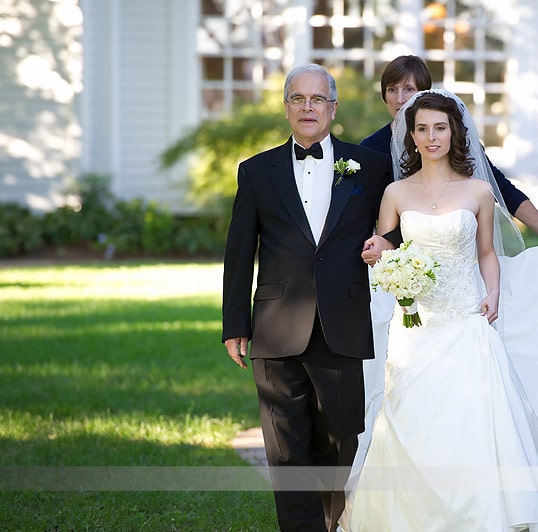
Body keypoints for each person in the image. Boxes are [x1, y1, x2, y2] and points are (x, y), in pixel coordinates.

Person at [342, 90, 538, 531]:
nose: (430, 137)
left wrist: (494, 293)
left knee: (477, 418)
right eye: (421, 129)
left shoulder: (479, 191)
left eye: (439, 128)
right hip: (417, 324)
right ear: (411, 136)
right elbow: (387, 243)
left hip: (467, 316)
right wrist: (376, 251)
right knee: (411, 415)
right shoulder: (395, 192)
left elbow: (486, 253)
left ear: (454, 132)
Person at [221, 64, 398, 532]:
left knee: (341, 436)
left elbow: (395, 226)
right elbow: (239, 251)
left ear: (332, 108)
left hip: (342, 320)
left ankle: (331, 517)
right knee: (285, 444)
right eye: (297, 98)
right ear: (286, 108)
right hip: (277, 325)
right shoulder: (257, 172)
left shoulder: (368, 166)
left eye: (317, 99)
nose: (307, 107)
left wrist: (388, 242)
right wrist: (235, 323)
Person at [359, 54, 538, 259]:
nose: (399, 99)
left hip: (454, 257)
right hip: (399, 266)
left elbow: (501, 188)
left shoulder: (454, 142)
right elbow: (361, 214)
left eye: (408, 89)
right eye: (391, 89)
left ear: (423, 94)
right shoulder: (370, 149)